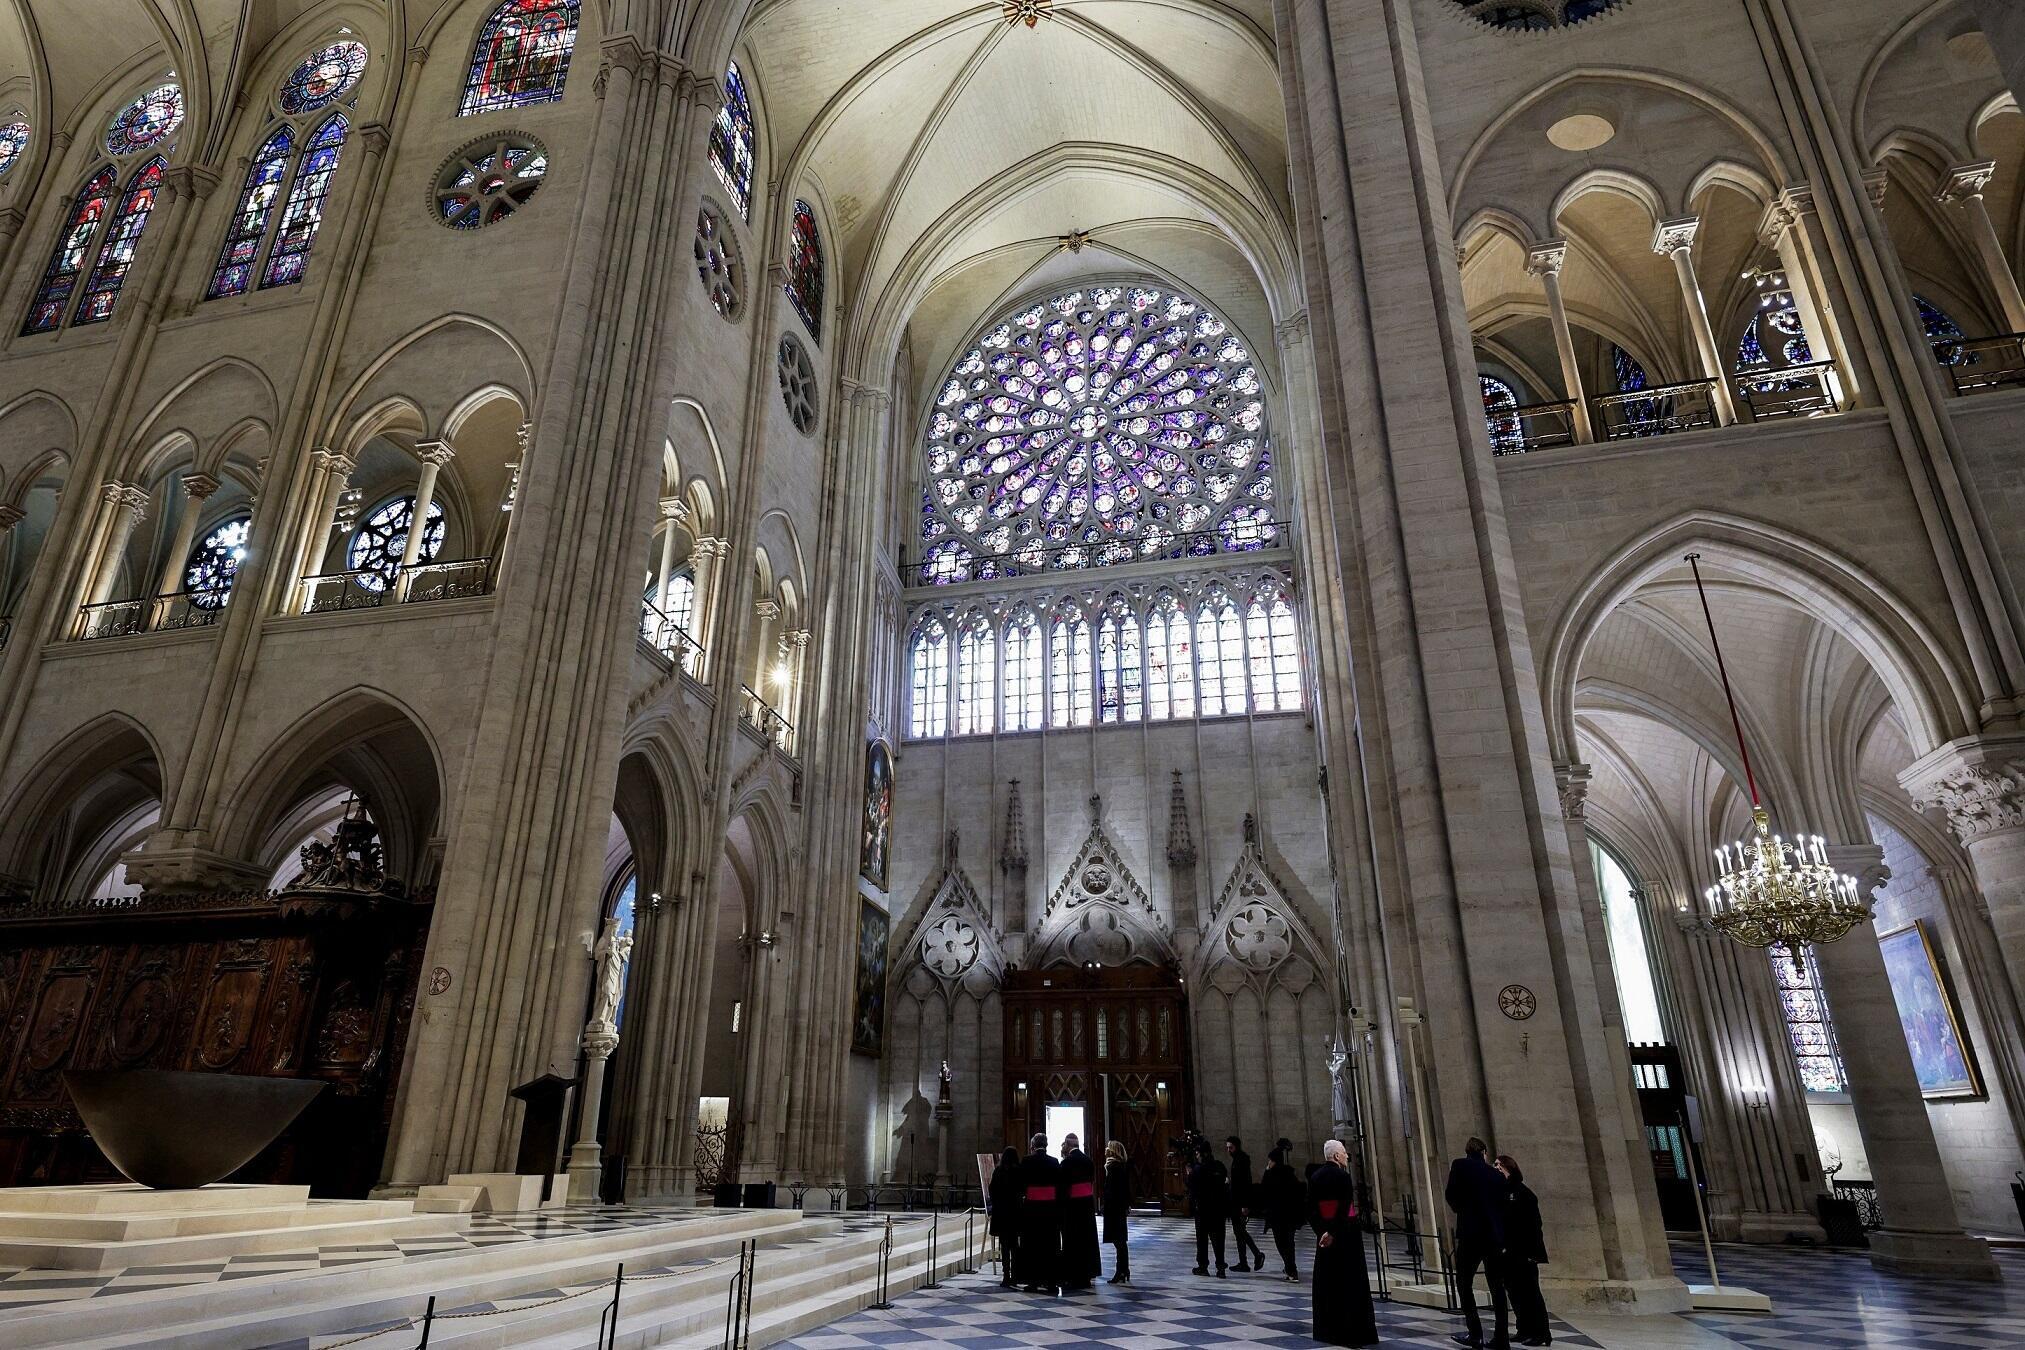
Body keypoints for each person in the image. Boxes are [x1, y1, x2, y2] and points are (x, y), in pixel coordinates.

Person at [1308, 1139, 1377, 1346]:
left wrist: (1321, 1232)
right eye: (1345, 1153)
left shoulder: (1315, 1176)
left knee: (1328, 1281)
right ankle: (1353, 1332)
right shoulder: (1342, 1176)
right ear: (1337, 1156)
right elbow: (1344, 1206)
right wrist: (1333, 1232)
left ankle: (1326, 1330)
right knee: (1349, 1280)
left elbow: (1310, 1208)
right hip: (1345, 1233)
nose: (1347, 1156)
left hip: (1324, 1235)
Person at [1445, 1137, 1510, 1349]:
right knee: (1497, 1288)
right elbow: (1503, 1207)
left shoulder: (1460, 1165)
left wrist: (1462, 1210)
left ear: (1467, 1151)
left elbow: (1451, 1194)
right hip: (1493, 1237)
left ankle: (1476, 1334)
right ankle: (1502, 1337)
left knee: (1464, 1285)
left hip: (1471, 1234)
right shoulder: (1496, 1175)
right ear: (1484, 1153)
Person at [1496, 1155, 1550, 1346]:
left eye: (1498, 1165)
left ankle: (1542, 1333)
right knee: (1515, 1292)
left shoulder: (1523, 1193)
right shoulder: (1503, 1191)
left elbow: (1534, 1225)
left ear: (1507, 1167)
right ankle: (1523, 1328)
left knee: (1531, 1293)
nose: (1496, 1169)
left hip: (1525, 1252)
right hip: (1509, 1252)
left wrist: (1532, 1254)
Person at [1016, 1132, 1062, 1295]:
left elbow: (1020, 1185)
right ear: (1046, 1145)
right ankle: (1051, 1282)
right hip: (1050, 1210)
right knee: (1050, 1245)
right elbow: (1060, 1187)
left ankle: (1033, 1282)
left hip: (1032, 1210)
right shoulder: (1054, 1162)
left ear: (1033, 1145)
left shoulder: (1027, 1161)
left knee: (1032, 1246)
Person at [1058, 1133, 1101, 1291]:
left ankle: (1072, 1275)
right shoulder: (1088, 1161)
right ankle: (1088, 1274)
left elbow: (1062, 1187)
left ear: (1068, 1146)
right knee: (1087, 1241)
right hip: (1087, 1206)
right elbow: (1092, 1181)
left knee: (1072, 1240)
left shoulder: (1066, 1163)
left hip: (1071, 1207)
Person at [1260, 1145, 1305, 1281]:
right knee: (1289, 1243)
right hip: (1290, 1215)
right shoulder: (1289, 1174)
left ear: (1273, 1161)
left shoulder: (1271, 1175)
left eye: (1270, 1161)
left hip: (1277, 1215)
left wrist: (1267, 1172)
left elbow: (1264, 1190)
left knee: (1281, 1242)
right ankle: (1291, 1268)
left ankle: (1291, 1268)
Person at [1187, 1139, 1230, 1276]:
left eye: (1197, 1153)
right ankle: (1220, 1266)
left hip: (1203, 1208)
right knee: (1218, 1238)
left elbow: (1191, 1187)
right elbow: (1225, 1183)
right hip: (1218, 1208)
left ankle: (1203, 1266)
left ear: (1200, 1153)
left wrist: (1189, 1174)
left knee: (1202, 1238)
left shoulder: (1198, 1169)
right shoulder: (1219, 1166)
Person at [1225, 1135, 1267, 1272]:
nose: (1228, 1150)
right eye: (1227, 1148)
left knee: (1240, 1231)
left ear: (1236, 1146)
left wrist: (1245, 1204)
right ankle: (1243, 1262)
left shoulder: (1241, 1160)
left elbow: (1244, 1184)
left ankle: (1257, 1254)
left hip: (1239, 1202)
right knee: (1239, 1233)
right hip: (1236, 1201)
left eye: (1230, 1147)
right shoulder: (1238, 1159)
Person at [987, 1145, 1023, 1289]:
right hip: (1015, 1213)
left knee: (1004, 1246)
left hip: (1001, 1214)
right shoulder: (1019, 1171)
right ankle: (1015, 1276)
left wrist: (997, 1204)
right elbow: (1022, 1190)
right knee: (1015, 1246)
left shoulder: (998, 1171)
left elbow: (991, 1190)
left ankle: (1006, 1276)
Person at [1102, 1139, 1133, 1284]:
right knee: (1120, 1241)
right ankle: (1123, 1270)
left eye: (1108, 1148)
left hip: (1114, 1208)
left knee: (1119, 1241)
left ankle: (1121, 1271)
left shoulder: (1115, 1168)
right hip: (1118, 1208)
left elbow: (1112, 1191)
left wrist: (1105, 1205)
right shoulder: (1119, 1167)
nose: (1106, 1150)